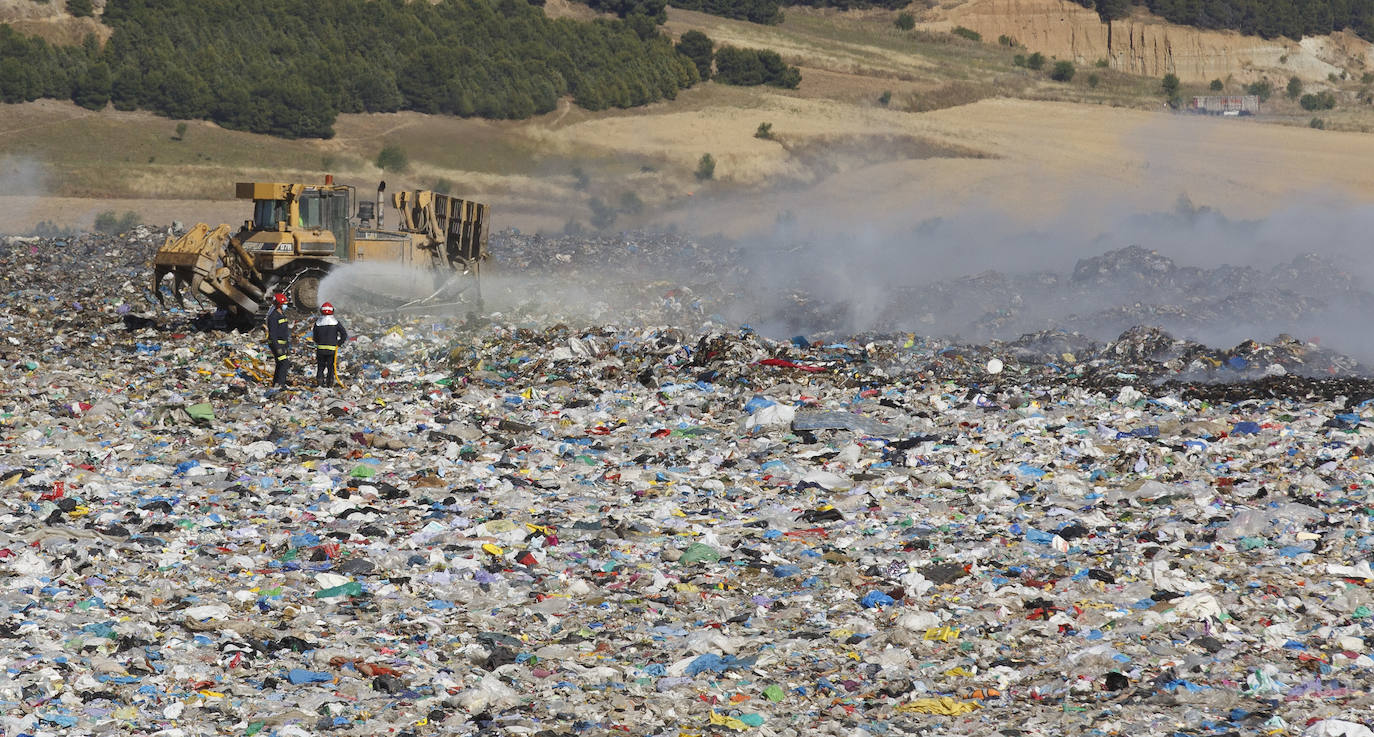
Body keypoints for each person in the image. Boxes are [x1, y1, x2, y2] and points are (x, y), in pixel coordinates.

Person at [313, 302, 348, 388]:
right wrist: (339, 343)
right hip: (332, 350)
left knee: (320, 368)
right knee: (330, 368)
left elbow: (315, 337)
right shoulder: (335, 323)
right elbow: (344, 334)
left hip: (320, 349)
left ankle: (320, 384)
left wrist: (318, 342)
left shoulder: (318, 323)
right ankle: (329, 385)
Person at [266, 292, 291, 387]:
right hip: (276, 344)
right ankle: (280, 384)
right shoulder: (273, 316)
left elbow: (285, 332)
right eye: (284, 304)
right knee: (284, 363)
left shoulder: (282, 315)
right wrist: (277, 347)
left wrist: (287, 346)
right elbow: (272, 333)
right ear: (279, 304)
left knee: (280, 364)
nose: (286, 306)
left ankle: (276, 383)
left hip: (282, 344)